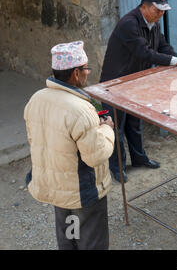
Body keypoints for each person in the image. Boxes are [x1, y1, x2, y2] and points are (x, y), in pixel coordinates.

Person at [24, 41, 115, 250]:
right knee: (91, 242)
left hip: (57, 188)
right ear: (76, 73)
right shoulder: (80, 109)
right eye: (86, 69)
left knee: (68, 238)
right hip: (82, 190)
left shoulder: (37, 99)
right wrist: (107, 129)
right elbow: (96, 155)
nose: (87, 73)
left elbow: (35, 139)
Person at [100, 0, 177, 183]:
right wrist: (175, 61)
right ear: (144, 6)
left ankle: (139, 158)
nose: (160, 14)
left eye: (163, 11)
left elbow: (163, 47)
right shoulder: (129, 24)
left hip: (135, 82)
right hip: (115, 83)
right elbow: (145, 53)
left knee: (135, 123)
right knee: (115, 126)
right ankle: (117, 167)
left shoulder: (153, 23)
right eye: (157, 10)